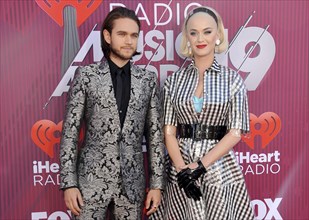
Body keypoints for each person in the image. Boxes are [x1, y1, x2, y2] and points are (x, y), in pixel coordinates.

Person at [59, 7, 165, 220]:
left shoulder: (148, 80)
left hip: (132, 186)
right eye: (122, 34)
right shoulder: (86, 76)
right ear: (107, 36)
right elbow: (70, 132)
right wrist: (68, 183)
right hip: (90, 183)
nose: (129, 41)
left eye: (134, 35)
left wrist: (157, 185)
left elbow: (155, 137)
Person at [151, 6, 255, 220]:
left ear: (218, 35)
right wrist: (183, 171)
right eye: (194, 32)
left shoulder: (232, 80)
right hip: (180, 166)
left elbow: (235, 133)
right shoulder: (174, 81)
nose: (201, 38)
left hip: (218, 165)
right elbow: (168, 132)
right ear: (187, 37)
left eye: (207, 31)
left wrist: (200, 166)